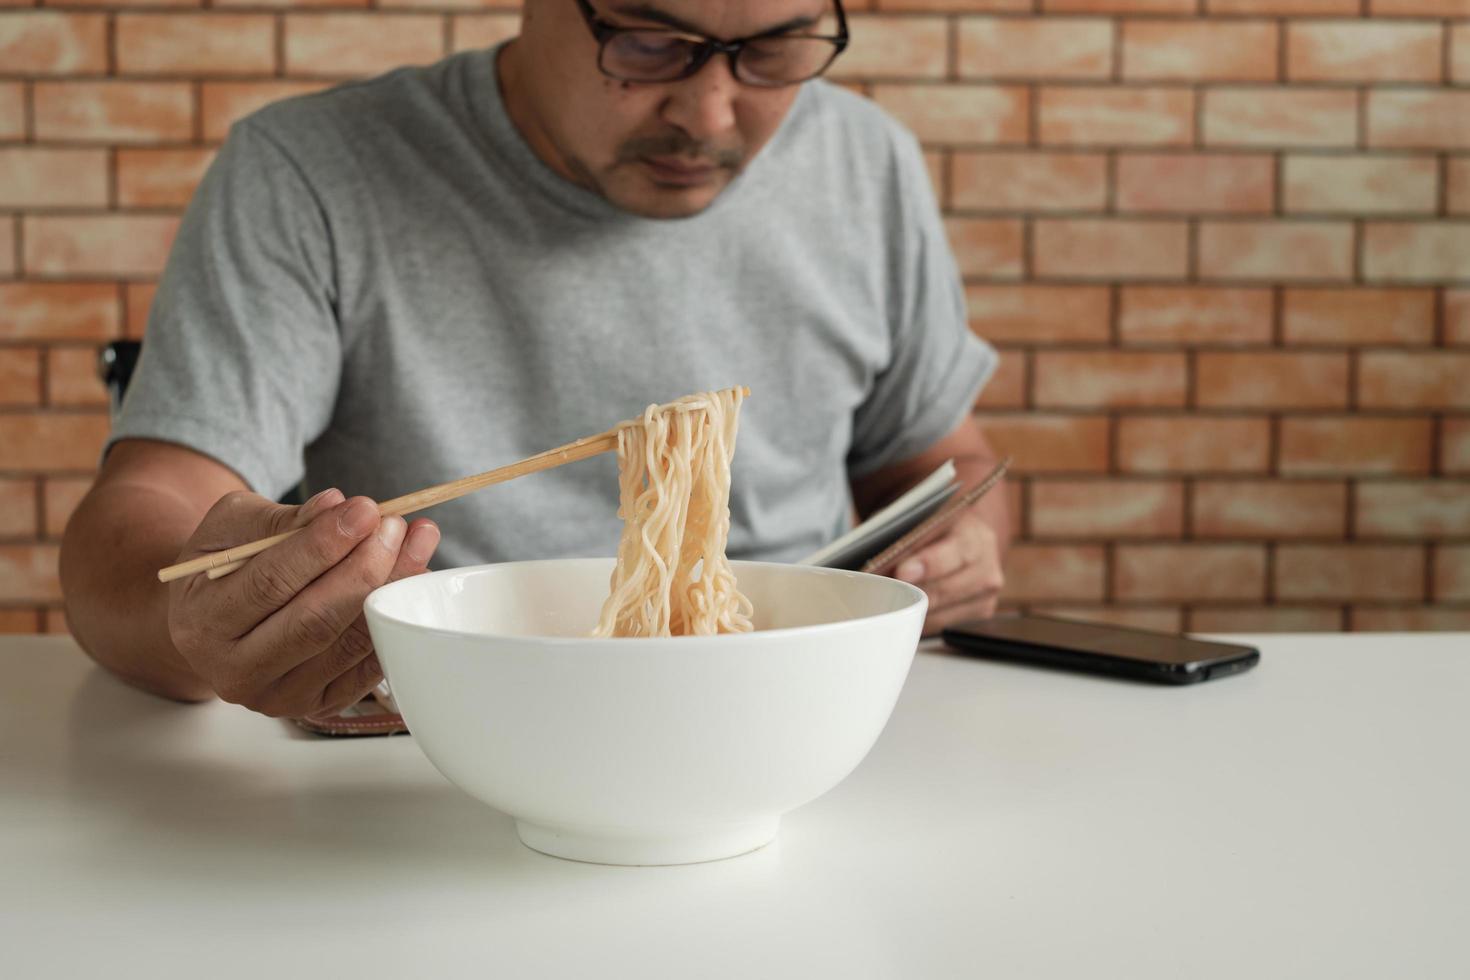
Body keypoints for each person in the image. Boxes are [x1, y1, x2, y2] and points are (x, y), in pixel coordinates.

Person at [59, 0, 1010, 721]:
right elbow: (140, 520)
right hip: (430, 743)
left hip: (785, 720)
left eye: (773, 51)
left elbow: (947, 464)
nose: (712, 115)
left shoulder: (865, 163)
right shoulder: (311, 173)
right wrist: (205, 631)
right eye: (647, 42)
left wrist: (963, 548)